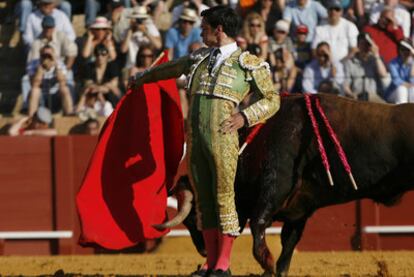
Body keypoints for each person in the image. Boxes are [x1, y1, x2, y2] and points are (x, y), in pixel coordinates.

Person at [129, 6, 280, 276]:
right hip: (196, 140)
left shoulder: (247, 62)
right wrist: (142, 78)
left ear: (219, 29)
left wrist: (245, 117)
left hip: (223, 139)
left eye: (205, 27)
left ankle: (223, 264)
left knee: (223, 198)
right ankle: (211, 263)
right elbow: (170, 69)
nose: (201, 31)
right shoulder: (198, 57)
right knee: (205, 201)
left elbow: (272, 99)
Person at [27, 45, 73, 115]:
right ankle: (31, 117)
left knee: (65, 89)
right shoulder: (33, 64)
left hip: (56, 95)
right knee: (34, 90)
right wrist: (40, 68)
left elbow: (63, 82)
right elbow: (34, 84)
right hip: (40, 96)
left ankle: (69, 114)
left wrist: (56, 66)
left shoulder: (59, 63)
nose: (47, 57)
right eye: (44, 55)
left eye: (49, 55)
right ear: (40, 55)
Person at [342, 33, 388, 103]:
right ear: (358, 45)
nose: (366, 47)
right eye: (363, 44)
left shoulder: (376, 60)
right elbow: (346, 85)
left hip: (374, 97)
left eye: (368, 44)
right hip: (357, 97)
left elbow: (383, 75)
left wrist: (376, 55)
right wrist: (351, 95)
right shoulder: (350, 62)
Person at [386, 39, 414, 104]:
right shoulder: (393, 63)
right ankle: (401, 113)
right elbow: (396, 80)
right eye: (402, 49)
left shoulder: (412, 62)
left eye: (407, 49)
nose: (404, 52)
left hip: (410, 90)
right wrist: (408, 85)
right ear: (399, 50)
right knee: (402, 89)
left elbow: (412, 78)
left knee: (413, 90)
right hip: (394, 92)